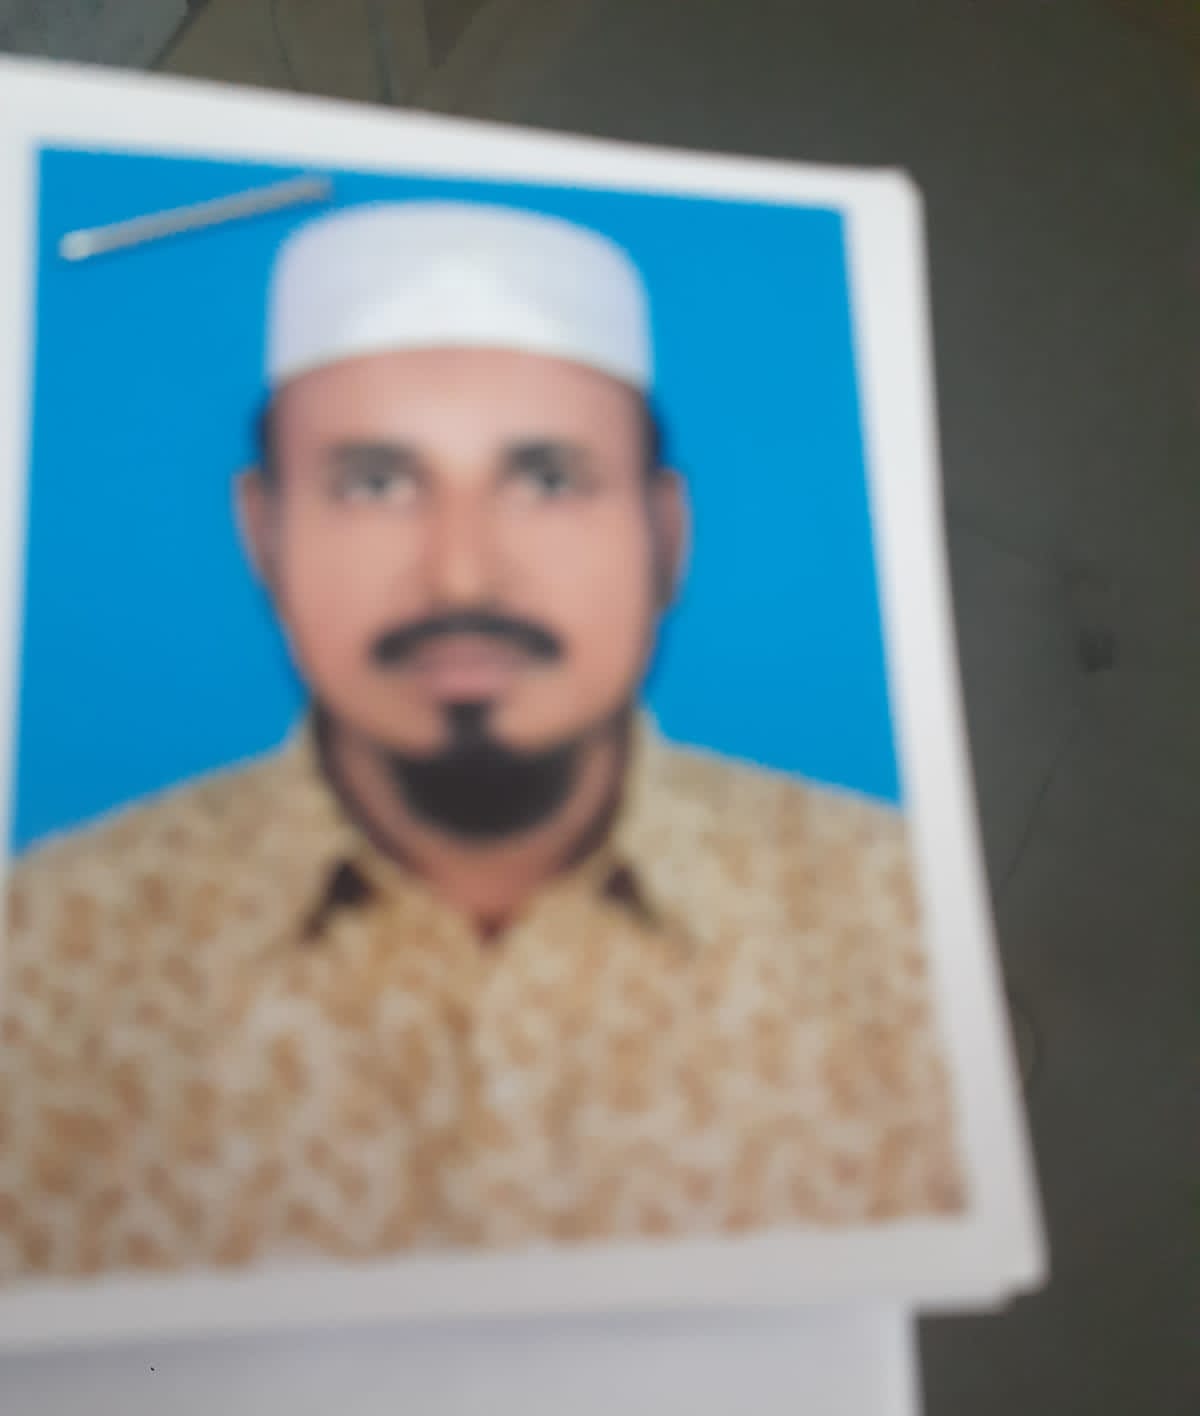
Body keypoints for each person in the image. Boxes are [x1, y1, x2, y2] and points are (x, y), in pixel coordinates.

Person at [0, 201, 963, 1280]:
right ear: (264, 534)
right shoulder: (44, 954)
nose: (461, 574)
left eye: (547, 481)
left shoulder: (902, 919)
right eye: (376, 485)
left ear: (665, 535)